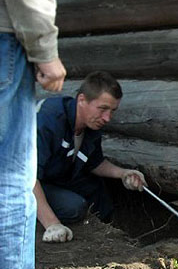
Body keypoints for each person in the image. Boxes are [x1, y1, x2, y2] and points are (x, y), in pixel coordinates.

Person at [0, 0, 69, 269]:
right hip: (4, 43)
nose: (106, 117)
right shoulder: (56, 115)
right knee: (10, 180)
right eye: (104, 109)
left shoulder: (88, 134)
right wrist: (44, 49)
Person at [35, 71, 147, 243]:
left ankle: (113, 240)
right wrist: (52, 224)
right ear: (81, 100)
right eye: (103, 109)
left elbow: (94, 162)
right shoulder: (47, 120)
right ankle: (31, 216)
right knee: (74, 206)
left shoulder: (90, 126)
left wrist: (123, 173)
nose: (107, 118)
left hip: (56, 176)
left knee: (98, 192)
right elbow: (28, 178)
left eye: (112, 111)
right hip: (23, 181)